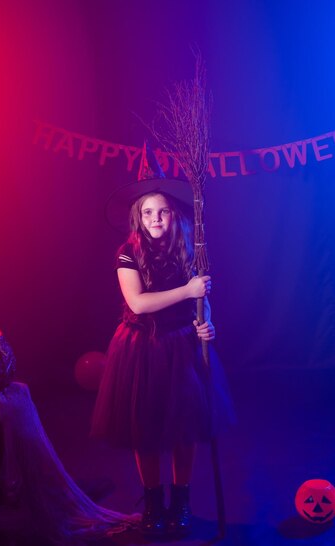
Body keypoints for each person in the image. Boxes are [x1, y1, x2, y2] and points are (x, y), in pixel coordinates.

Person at [91, 148, 233, 538]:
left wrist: (207, 325)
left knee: (185, 428)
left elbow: (203, 299)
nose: (156, 219)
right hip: (141, 349)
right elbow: (138, 302)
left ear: (174, 215)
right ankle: (153, 502)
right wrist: (187, 291)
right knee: (146, 428)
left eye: (163, 212)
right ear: (138, 215)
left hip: (183, 346)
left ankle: (181, 502)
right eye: (148, 212)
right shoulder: (127, 253)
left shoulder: (190, 248)